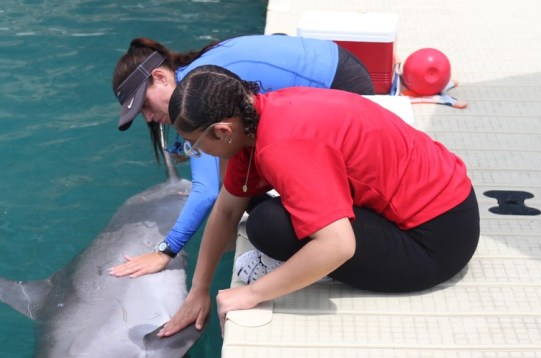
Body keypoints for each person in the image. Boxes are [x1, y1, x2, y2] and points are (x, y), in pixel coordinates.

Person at [157, 65, 480, 337]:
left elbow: (339, 246)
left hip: (435, 246)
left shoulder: (281, 147)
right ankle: (307, 262)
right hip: (446, 202)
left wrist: (251, 293)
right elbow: (227, 209)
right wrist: (198, 291)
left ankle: (312, 268)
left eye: (192, 145)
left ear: (223, 131)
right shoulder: (259, 116)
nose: (195, 154)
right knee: (253, 201)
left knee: (269, 226)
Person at [109, 35, 375, 277]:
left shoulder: (195, 89)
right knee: (236, 175)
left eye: (145, 105)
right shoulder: (194, 74)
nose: (149, 118)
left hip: (343, 89)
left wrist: (165, 252)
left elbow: (206, 190)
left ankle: (314, 253)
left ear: (161, 77)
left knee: (259, 207)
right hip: (337, 69)